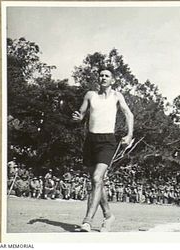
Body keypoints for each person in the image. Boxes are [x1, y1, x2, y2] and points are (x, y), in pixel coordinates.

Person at [72, 67, 134, 232]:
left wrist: (129, 135)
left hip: (107, 141)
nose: (103, 77)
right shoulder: (90, 95)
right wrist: (78, 117)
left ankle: (87, 221)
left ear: (112, 80)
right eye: (101, 75)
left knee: (97, 177)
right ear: (98, 79)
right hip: (90, 141)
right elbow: (81, 114)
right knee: (96, 182)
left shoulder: (116, 96)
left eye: (107, 75)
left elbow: (129, 114)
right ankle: (108, 215)